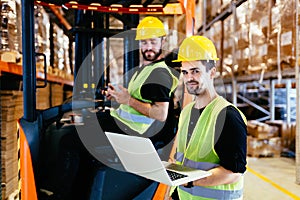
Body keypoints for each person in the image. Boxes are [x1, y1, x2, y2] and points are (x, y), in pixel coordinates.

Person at [48, 16, 179, 200]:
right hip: (124, 124)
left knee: (69, 141)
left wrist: (127, 100)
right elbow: (136, 101)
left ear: (162, 42)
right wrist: (118, 97)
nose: (148, 47)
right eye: (144, 42)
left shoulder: (159, 73)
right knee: (79, 136)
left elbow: (160, 113)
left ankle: (63, 196)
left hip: (133, 133)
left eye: (153, 42)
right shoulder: (146, 69)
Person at [165, 35, 247, 200]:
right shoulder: (186, 112)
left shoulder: (227, 116)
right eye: (185, 72)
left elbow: (233, 173)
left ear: (212, 72)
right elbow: (181, 159)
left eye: (195, 71)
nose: (189, 78)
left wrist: (191, 181)